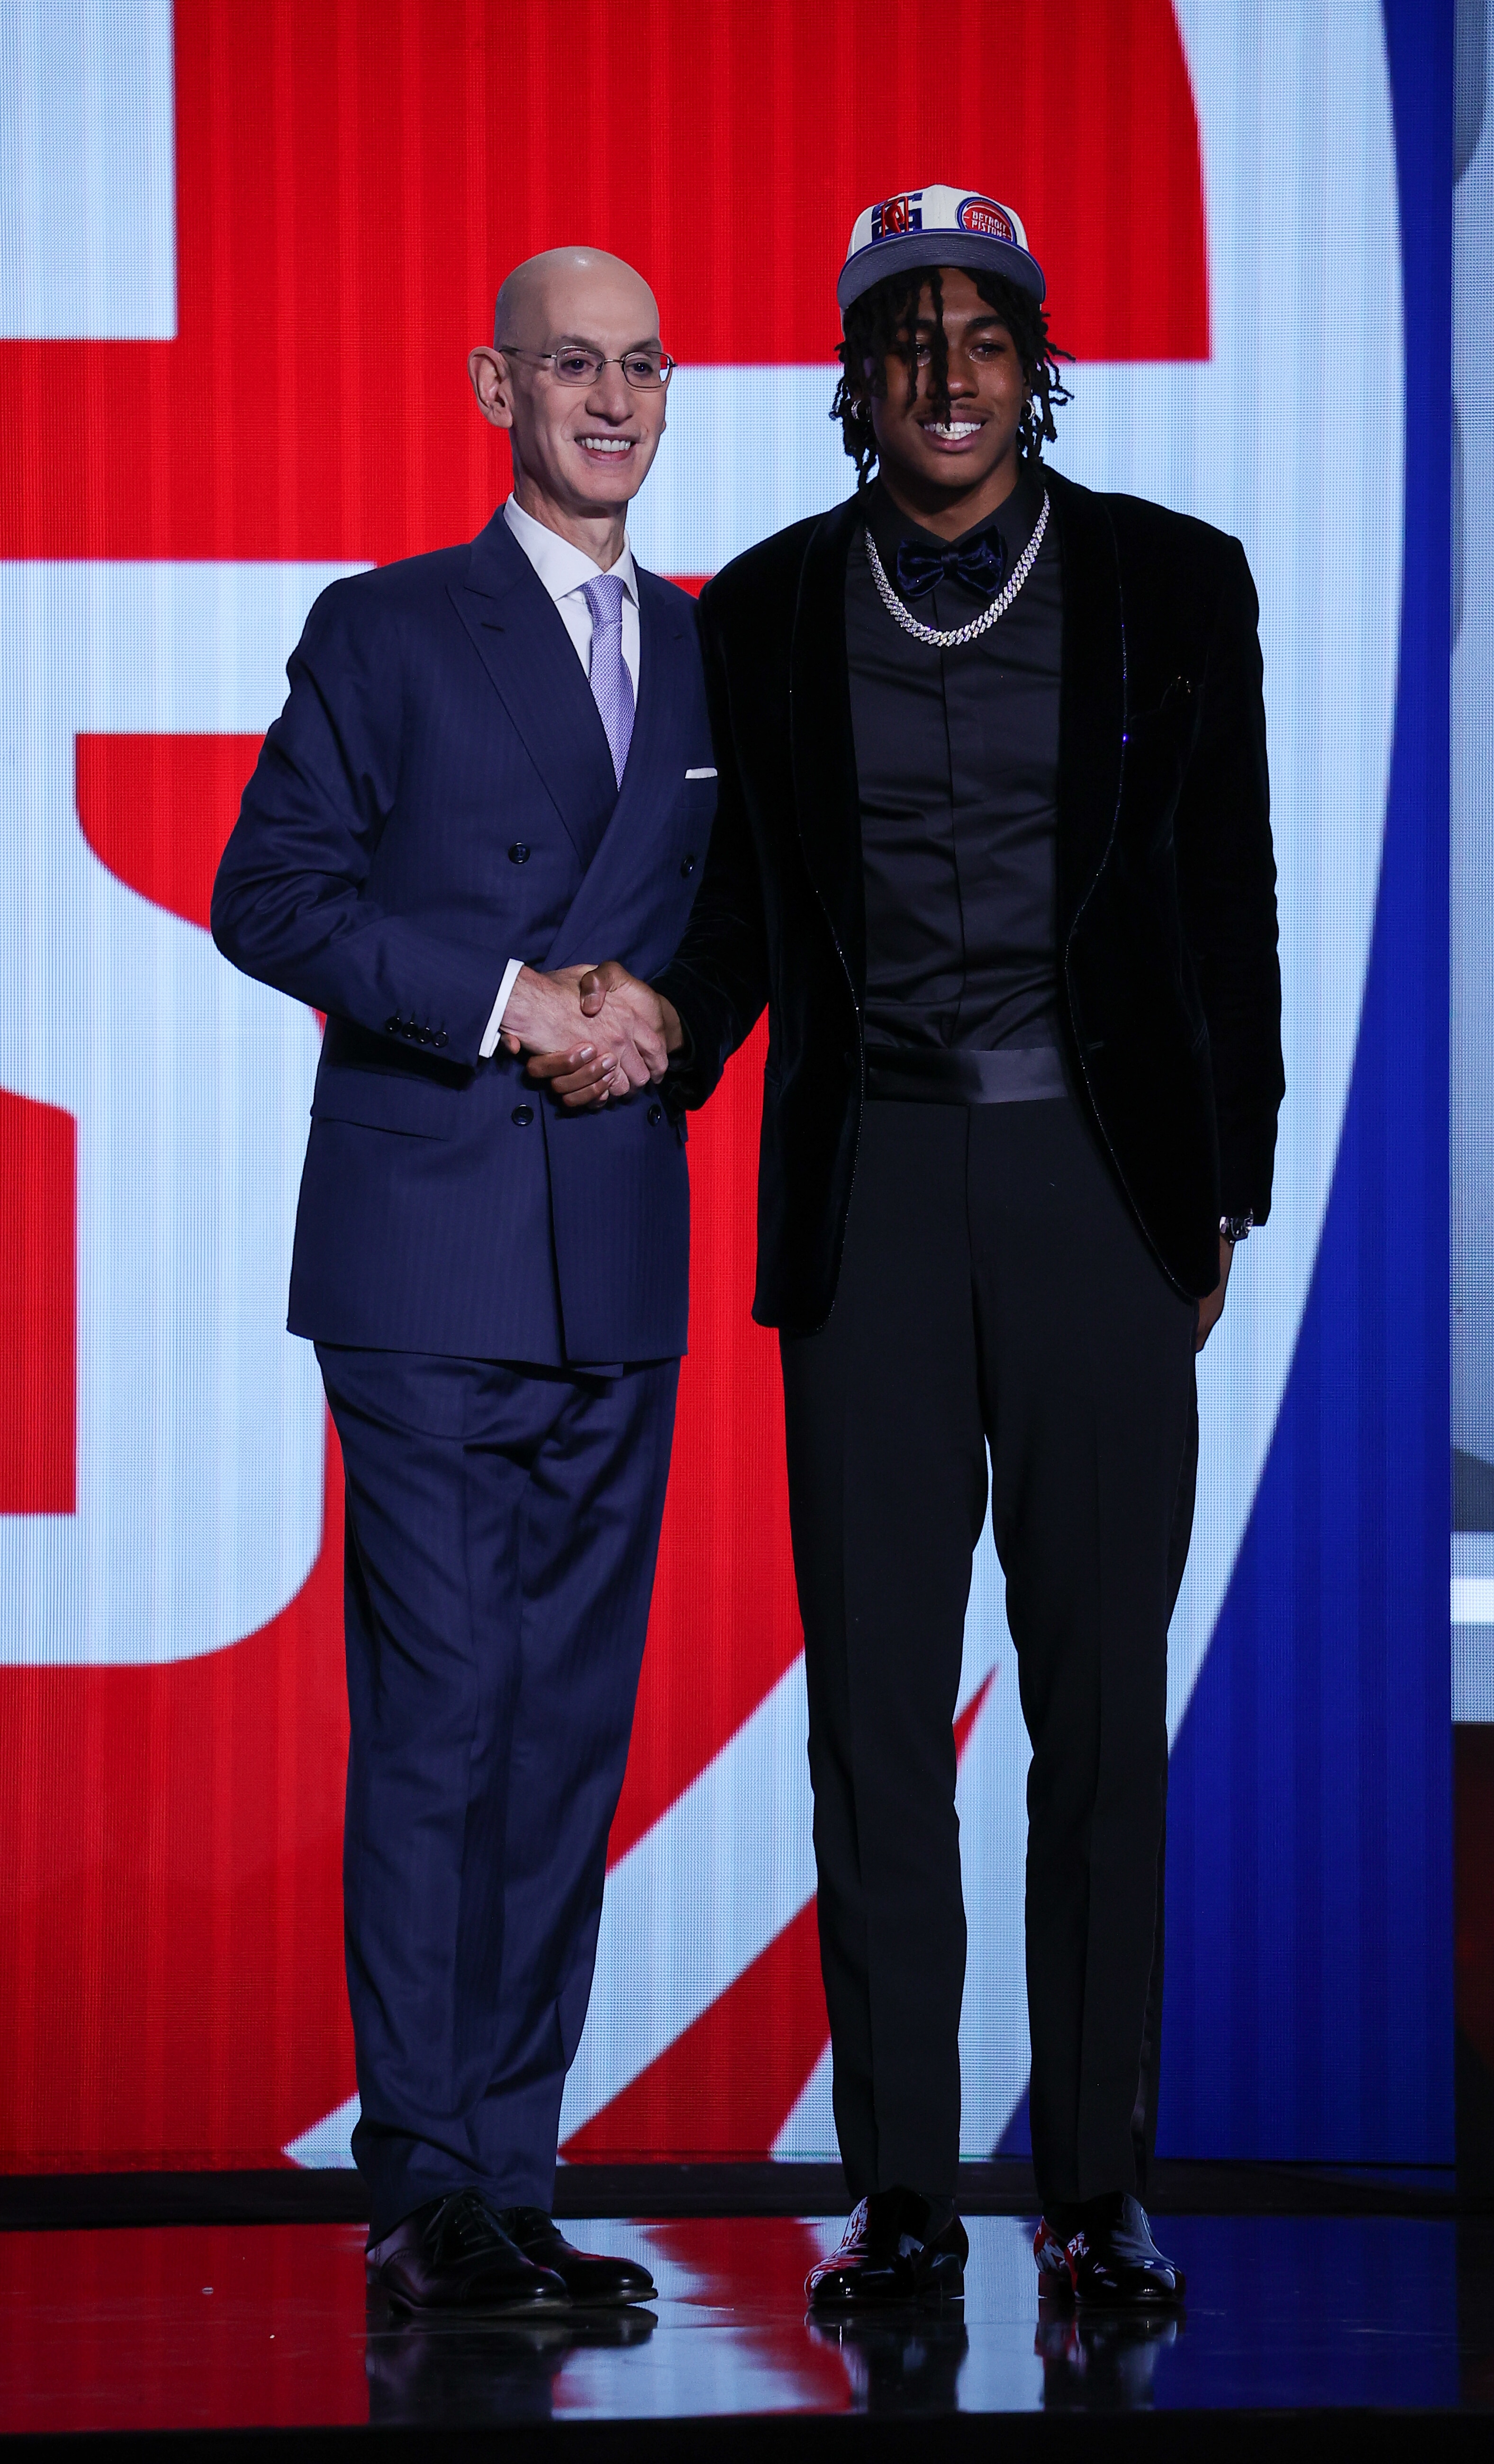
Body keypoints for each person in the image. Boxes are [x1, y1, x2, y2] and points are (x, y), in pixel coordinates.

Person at [566, 186, 1282, 2311]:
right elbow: (739, 910)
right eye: (908, 339)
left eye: (986, 335)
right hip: (870, 1201)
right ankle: (894, 2194)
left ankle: (1096, 2186)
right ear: (856, 378)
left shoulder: (1173, 584)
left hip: (1094, 1198)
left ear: (1036, 361)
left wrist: (1214, 1191)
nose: (950, 373)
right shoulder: (764, 607)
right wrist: (656, 1020)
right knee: (874, 1712)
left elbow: (1228, 906)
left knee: (1091, 1707)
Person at [212, 246, 709, 2317]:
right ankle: (421, 2181)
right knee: (439, 1721)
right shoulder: (389, 624)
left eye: (641, 367)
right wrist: (515, 999)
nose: (609, 398)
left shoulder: (701, 650)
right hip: (426, 1254)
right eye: (571, 364)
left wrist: (657, 1024)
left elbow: (723, 931)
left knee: (569, 1735)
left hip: (616, 1256)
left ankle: (513, 2162)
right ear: (493, 381)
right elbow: (268, 894)